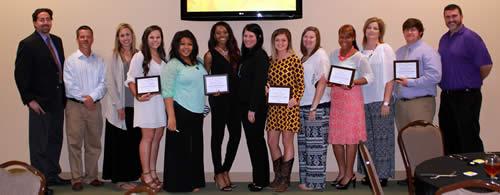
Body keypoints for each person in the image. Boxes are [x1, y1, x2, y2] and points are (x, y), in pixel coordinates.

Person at [14, 8, 70, 195]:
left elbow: (58, 70)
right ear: (35, 23)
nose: (45, 22)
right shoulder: (27, 44)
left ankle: (52, 175)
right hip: (39, 103)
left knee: (55, 140)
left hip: (57, 101)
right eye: (41, 19)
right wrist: (29, 100)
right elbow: (20, 75)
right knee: (39, 145)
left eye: (48, 19)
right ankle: (39, 184)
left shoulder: (57, 41)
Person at [438, 4, 493, 155]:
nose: (451, 19)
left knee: (468, 138)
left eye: (454, 16)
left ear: (461, 17)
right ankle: (455, 175)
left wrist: (471, 81)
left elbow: (486, 65)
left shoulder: (471, 37)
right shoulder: (443, 39)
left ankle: (476, 175)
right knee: (449, 137)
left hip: (467, 96)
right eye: (447, 17)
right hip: (447, 96)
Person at [328, 24, 373, 190]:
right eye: (341, 36)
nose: (343, 40)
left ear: (353, 38)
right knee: (336, 139)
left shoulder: (360, 57)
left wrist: (354, 82)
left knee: (350, 139)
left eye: (347, 37)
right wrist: (329, 81)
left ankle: (349, 173)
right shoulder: (333, 54)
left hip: (352, 101)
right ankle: (341, 172)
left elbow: (369, 77)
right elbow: (330, 74)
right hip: (337, 100)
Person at [161, 30, 207, 192]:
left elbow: (204, 84)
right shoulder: (172, 64)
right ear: (176, 45)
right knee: (180, 150)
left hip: (197, 113)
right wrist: (171, 117)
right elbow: (167, 92)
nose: (186, 47)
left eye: (189, 44)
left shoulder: (199, 61)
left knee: (195, 148)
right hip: (180, 111)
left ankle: (194, 181)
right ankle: (178, 184)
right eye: (182, 44)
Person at [63, 25, 106, 191]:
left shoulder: (99, 60)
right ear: (77, 39)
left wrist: (92, 97)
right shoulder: (71, 60)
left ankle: (92, 176)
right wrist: (84, 98)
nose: (85, 39)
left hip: (94, 106)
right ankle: (76, 178)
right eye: (82, 37)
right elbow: (69, 85)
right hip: (75, 106)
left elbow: (103, 83)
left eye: (88, 36)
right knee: (74, 143)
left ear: (92, 38)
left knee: (93, 143)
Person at [125, 25, 167, 192]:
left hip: (159, 103)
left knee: (157, 136)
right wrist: (137, 96)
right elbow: (130, 79)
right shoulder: (139, 56)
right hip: (146, 103)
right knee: (148, 137)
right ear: (146, 39)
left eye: (158, 37)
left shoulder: (163, 57)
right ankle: (146, 173)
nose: (155, 40)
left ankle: (153, 171)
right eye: (152, 37)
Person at [101, 23, 141, 190]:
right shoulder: (114, 56)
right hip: (120, 107)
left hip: (137, 107)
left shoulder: (139, 55)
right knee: (120, 144)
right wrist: (118, 106)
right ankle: (120, 178)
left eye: (128, 34)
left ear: (132, 36)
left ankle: (132, 176)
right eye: (122, 35)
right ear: (118, 38)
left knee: (133, 143)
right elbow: (109, 82)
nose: (125, 38)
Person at [357, 17, 396, 187]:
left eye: (375, 28)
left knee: (382, 139)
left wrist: (386, 102)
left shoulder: (385, 49)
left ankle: (382, 176)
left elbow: (390, 78)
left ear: (380, 32)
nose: (371, 30)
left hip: (381, 100)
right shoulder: (360, 52)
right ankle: (370, 174)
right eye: (369, 27)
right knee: (367, 140)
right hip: (363, 102)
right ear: (365, 30)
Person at [203, 21, 241, 191]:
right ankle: (218, 173)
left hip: (235, 101)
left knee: (236, 136)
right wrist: (211, 91)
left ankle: (225, 169)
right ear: (213, 36)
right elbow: (205, 78)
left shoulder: (236, 53)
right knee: (217, 137)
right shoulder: (209, 55)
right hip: (218, 101)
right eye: (218, 33)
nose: (221, 35)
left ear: (229, 33)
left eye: (224, 32)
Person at [266, 28, 304, 192]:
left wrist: (295, 98)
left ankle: (285, 180)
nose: (280, 43)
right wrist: (266, 88)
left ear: (288, 41)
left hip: (289, 108)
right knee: (272, 142)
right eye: (277, 40)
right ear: (273, 42)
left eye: (283, 40)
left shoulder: (295, 60)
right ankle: (278, 176)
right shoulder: (270, 60)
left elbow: (301, 84)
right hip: (274, 108)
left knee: (286, 142)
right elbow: (267, 81)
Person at [296, 26, 330, 191]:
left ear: (317, 39)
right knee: (304, 147)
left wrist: (314, 108)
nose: (308, 40)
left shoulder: (320, 56)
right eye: (305, 37)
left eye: (312, 37)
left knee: (316, 147)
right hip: (303, 106)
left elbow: (322, 82)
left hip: (316, 107)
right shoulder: (305, 57)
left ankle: (315, 182)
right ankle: (305, 180)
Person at [238, 23, 271, 192]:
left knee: (256, 143)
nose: (247, 39)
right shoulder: (247, 55)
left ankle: (261, 180)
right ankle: (260, 178)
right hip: (245, 107)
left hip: (254, 109)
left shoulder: (260, 56)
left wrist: (252, 109)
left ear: (258, 38)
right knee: (253, 143)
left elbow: (259, 85)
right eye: (245, 35)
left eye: (251, 36)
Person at [394, 18, 441, 131]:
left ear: (420, 32)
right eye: (406, 30)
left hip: (420, 103)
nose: (409, 32)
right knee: (405, 142)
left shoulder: (428, 51)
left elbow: (435, 76)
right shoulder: (399, 52)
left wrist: (410, 82)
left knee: (420, 141)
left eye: (413, 29)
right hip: (400, 105)